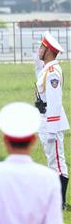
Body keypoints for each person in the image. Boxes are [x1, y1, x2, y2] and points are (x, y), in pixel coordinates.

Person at [34, 32, 69, 208]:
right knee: (52, 160)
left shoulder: (53, 71)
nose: (38, 50)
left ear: (48, 51)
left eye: (41, 47)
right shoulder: (47, 69)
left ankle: (61, 201)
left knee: (57, 160)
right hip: (45, 119)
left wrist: (52, 129)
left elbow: (55, 102)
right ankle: (56, 199)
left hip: (51, 121)